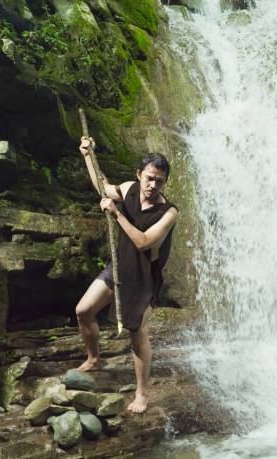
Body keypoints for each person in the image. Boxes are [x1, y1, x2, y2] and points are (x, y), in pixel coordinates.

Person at [75, 136, 178, 414]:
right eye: (149, 178)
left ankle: (142, 394)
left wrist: (117, 214)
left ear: (165, 182)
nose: (152, 185)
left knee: (137, 333)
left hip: (144, 279)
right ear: (138, 175)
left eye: (159, 181)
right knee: (83, 310)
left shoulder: (168, 213)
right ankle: (94, 358)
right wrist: (88, 155)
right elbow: (104, 188)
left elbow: (144, 242)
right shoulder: (130, 188)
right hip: (119, 266)